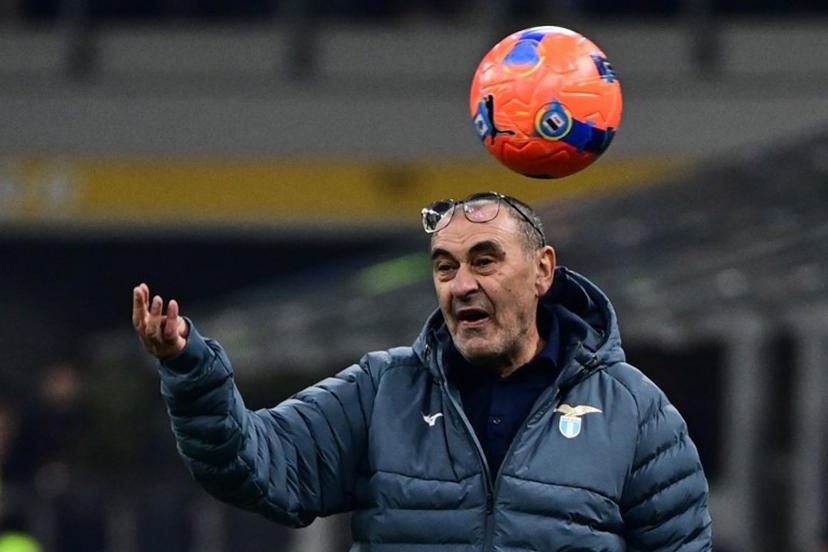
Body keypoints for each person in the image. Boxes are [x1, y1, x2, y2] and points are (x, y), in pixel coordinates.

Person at [133, 191, 712, 550]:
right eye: (445, 266)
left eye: (484, 260)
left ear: (542, 272)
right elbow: (254, 466)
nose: (461, 284)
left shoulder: (636, 412)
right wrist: (191, 371)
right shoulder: (381, 390)